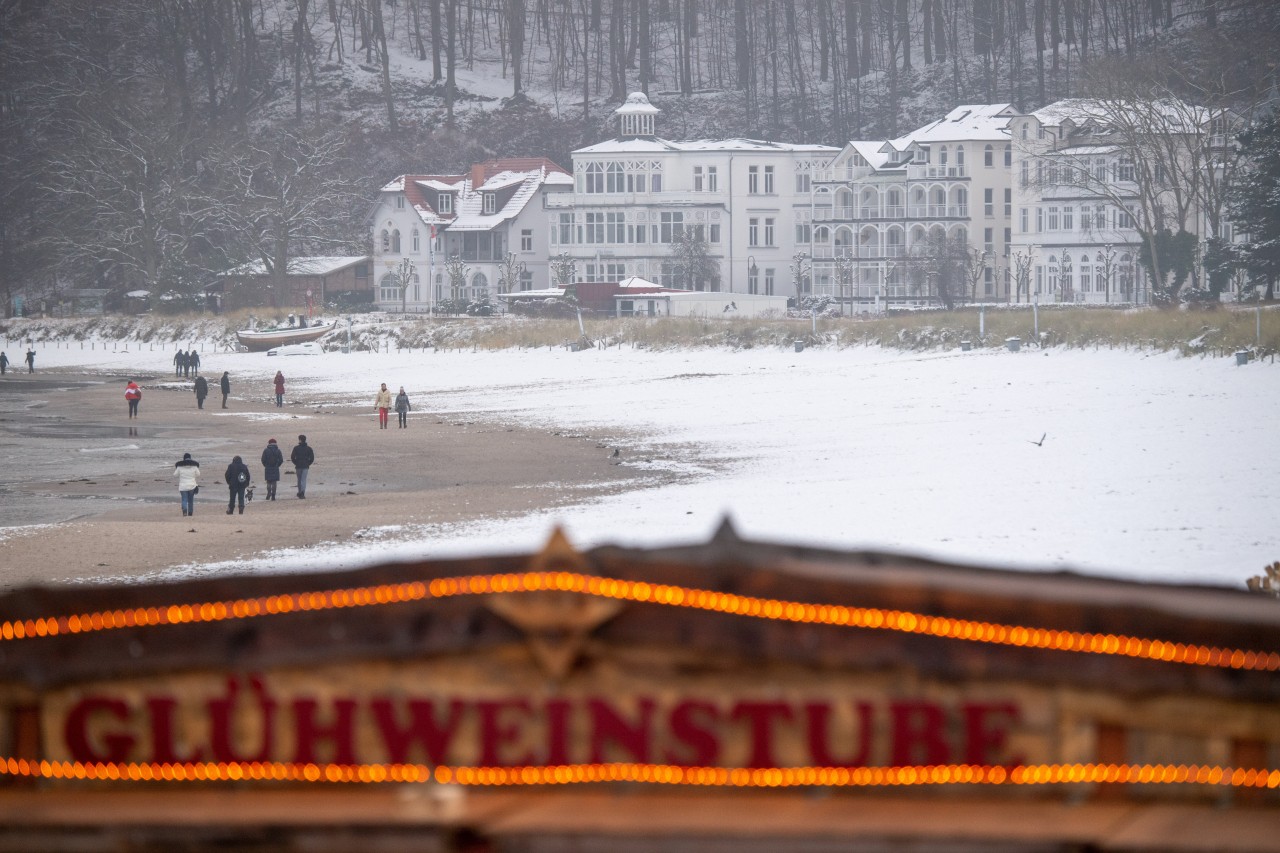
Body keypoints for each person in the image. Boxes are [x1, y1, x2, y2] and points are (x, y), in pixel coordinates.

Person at [174, 452, 200, 517]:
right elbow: (198, 474)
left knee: (184, 499)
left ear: (184, 459)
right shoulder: (194, 466)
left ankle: (185, 511)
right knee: (191, 500)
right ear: (190, 458)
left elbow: (175, 475)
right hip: (192, 485)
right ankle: (190, 513)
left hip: (183, 486)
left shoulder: (180, 467)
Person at [290, 434, 314, 499]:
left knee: (299, 480)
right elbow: (312, 458)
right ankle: (302, 492)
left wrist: (296, 463)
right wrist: (308, 463)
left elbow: (292, 457)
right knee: (303, 480)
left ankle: (300, 492)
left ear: (300, 440)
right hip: (305, 466)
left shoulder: (296, 448)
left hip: (298, 466)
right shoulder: (309, 448)